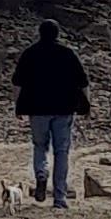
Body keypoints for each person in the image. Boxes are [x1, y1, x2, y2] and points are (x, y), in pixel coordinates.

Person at [11, 11, 92, 207]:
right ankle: (59, 197)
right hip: (64, 108)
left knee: (40, 146)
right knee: (61, 151)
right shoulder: (68, 53)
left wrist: (17, 106)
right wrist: (87, 105)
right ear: (58, 34)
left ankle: (41, 173)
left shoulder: (30, 53)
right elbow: (83, 82)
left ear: (40, 33)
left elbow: (17, 82)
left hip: (37, 108)